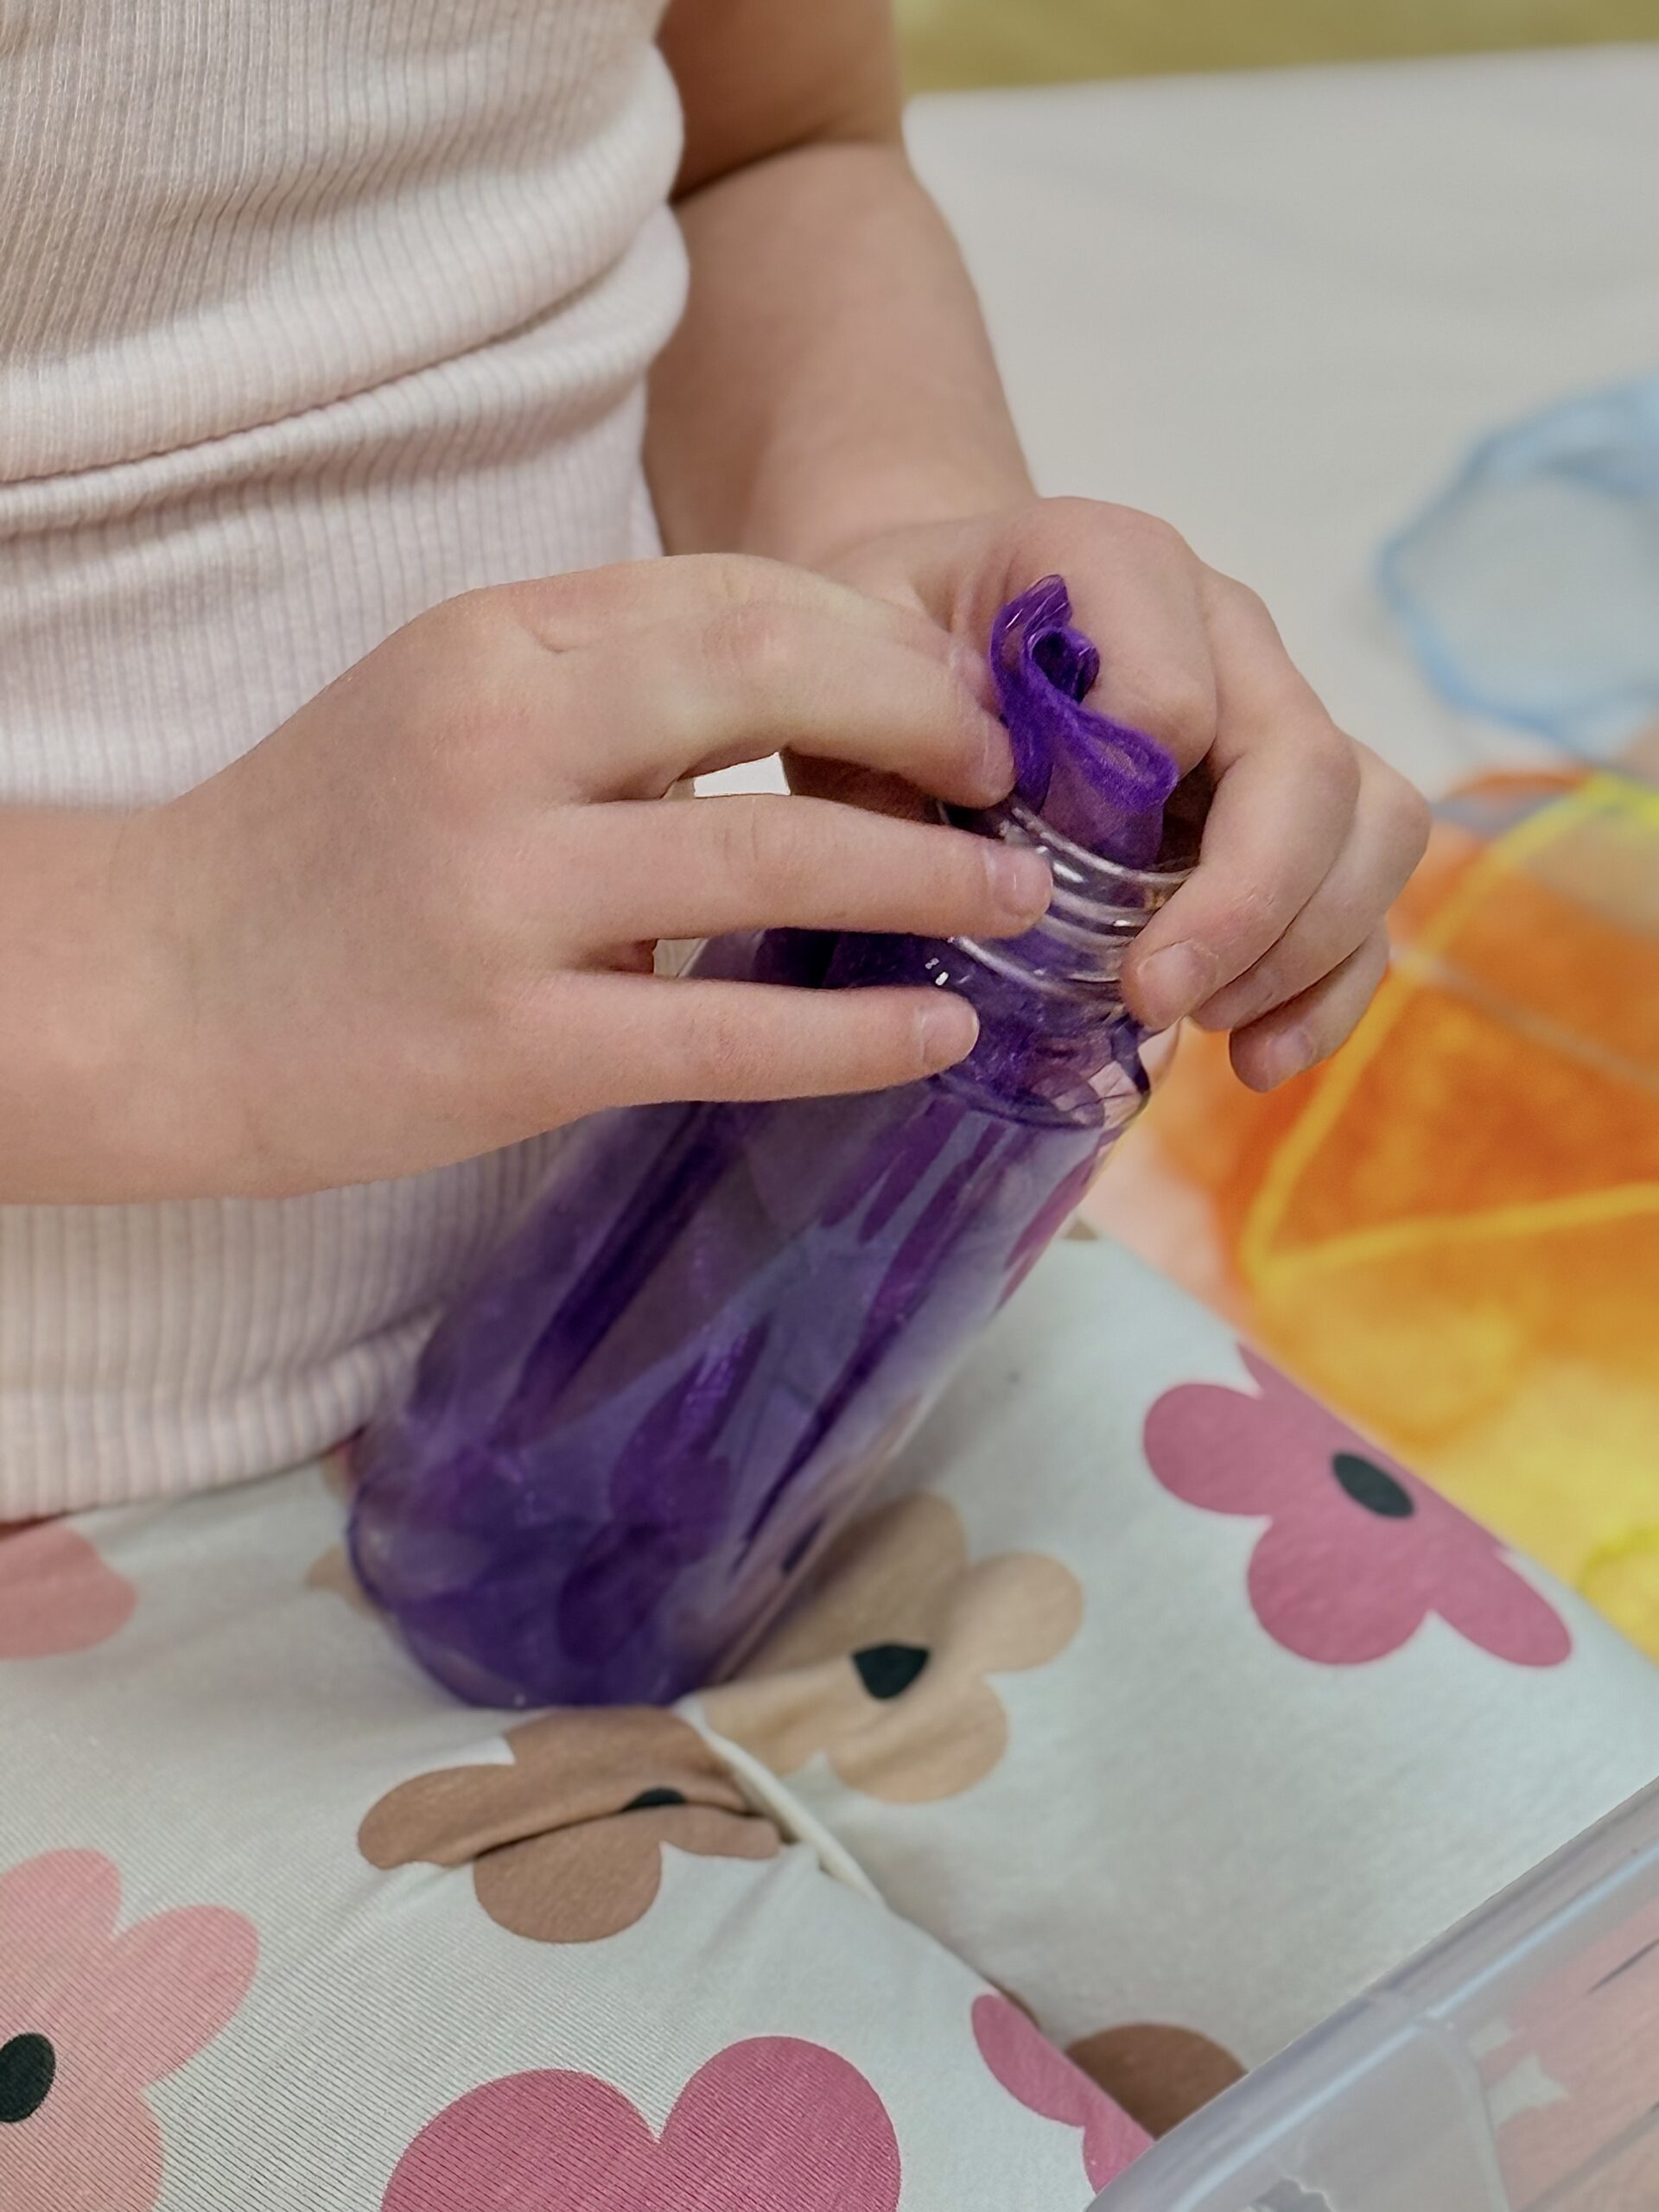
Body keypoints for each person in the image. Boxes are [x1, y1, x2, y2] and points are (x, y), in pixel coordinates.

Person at [2, 6, 1653, 2208]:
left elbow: (763, 146)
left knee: (1599, 2026)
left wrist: (894, 550)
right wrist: (153, 965)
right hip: (58, 1539)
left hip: (771, 1260)